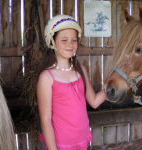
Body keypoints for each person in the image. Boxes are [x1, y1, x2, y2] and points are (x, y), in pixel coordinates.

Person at [37, 15, 106, 150]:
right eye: (64, 40)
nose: (70, 44)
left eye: (74, 40)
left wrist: (120, 83)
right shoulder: (47, 77)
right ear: (52, 41)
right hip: (60, 144)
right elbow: (45, 119)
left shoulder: (80, 71)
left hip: (81, 141)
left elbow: (94, 101)